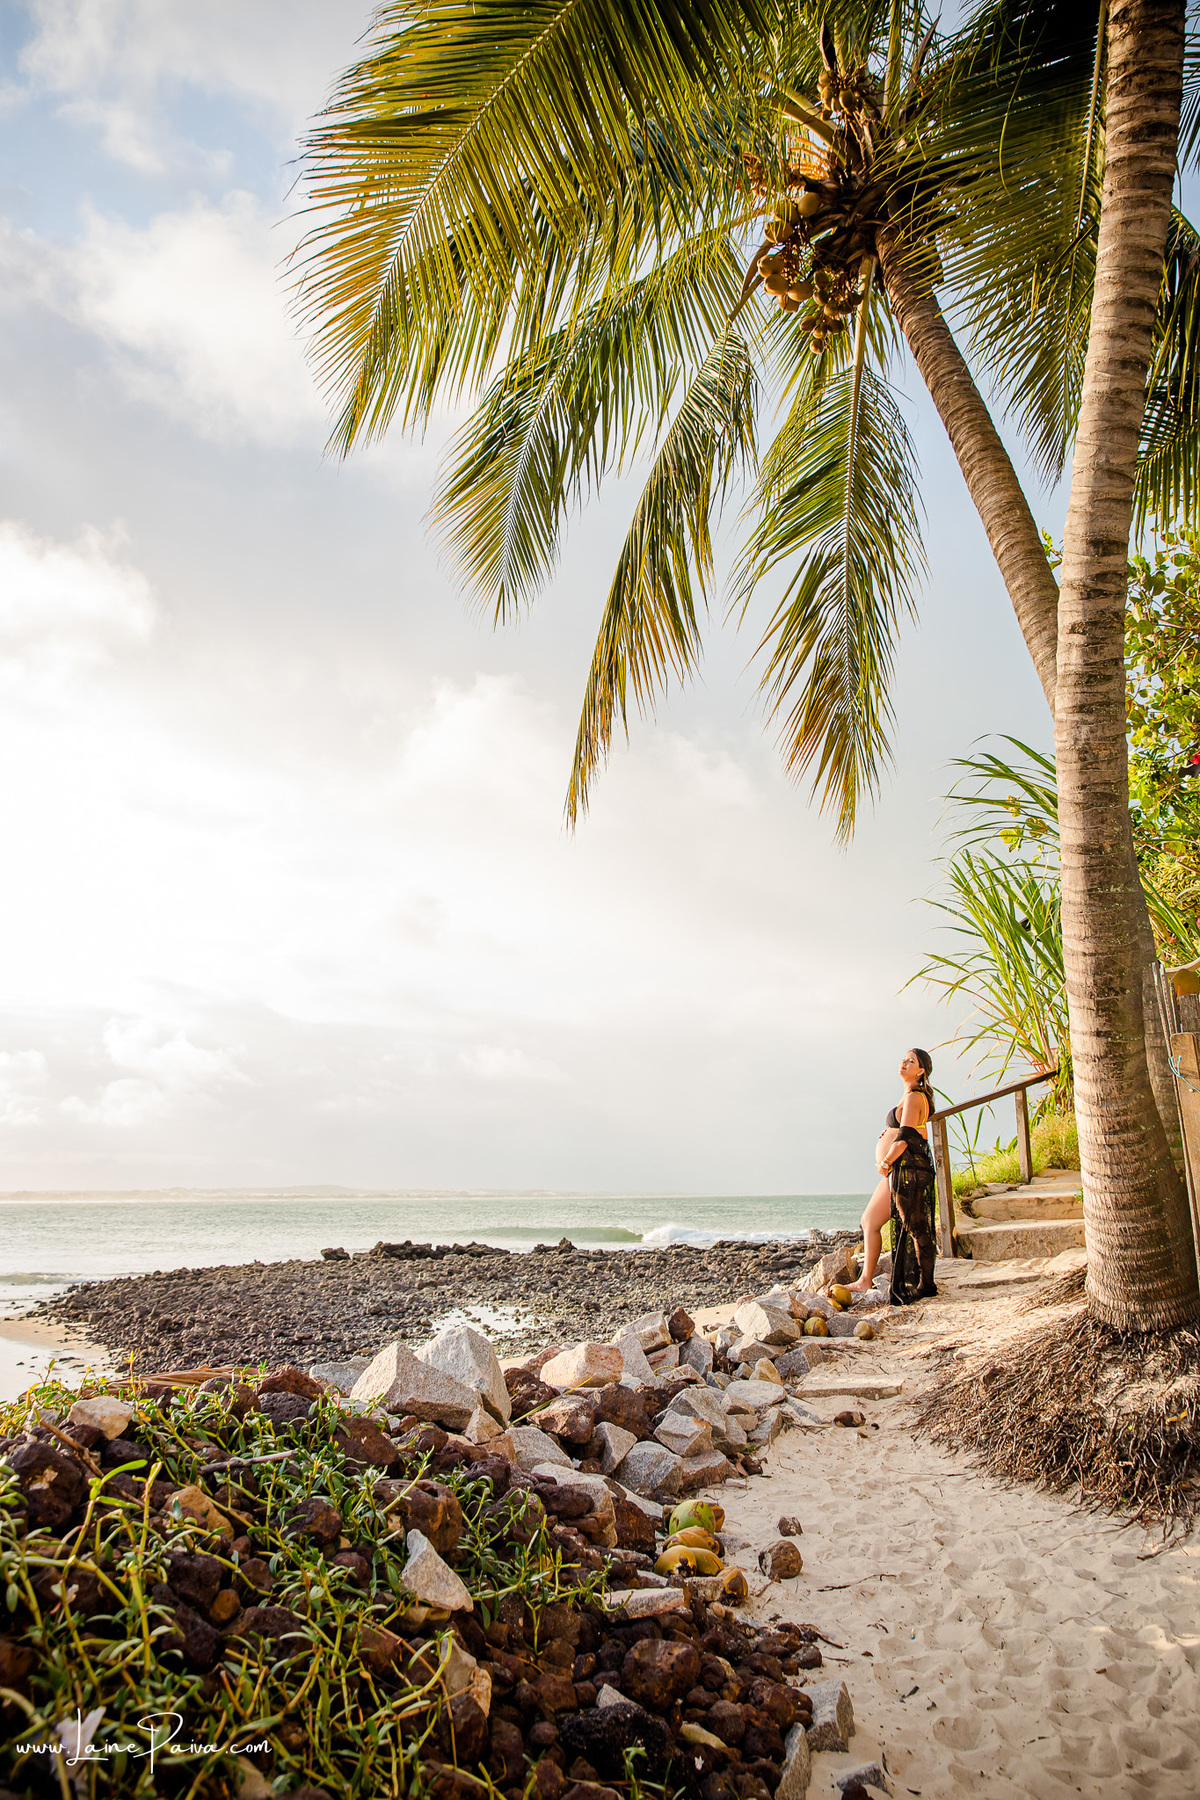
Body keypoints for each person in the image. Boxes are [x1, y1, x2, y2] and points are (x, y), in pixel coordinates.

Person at [847, 1048, 938, 1304]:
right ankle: (865, 1281)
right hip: (898, 1169)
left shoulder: (915, 1096)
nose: (904, 1062)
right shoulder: (908, 1096)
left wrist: (886, 1161)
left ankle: (926, 1284)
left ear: (921, 1071)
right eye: (904, 1059)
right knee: (869, 1220)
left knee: (915, 1226)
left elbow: (907, 1136)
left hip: (905, 1169)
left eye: (911, 1061)